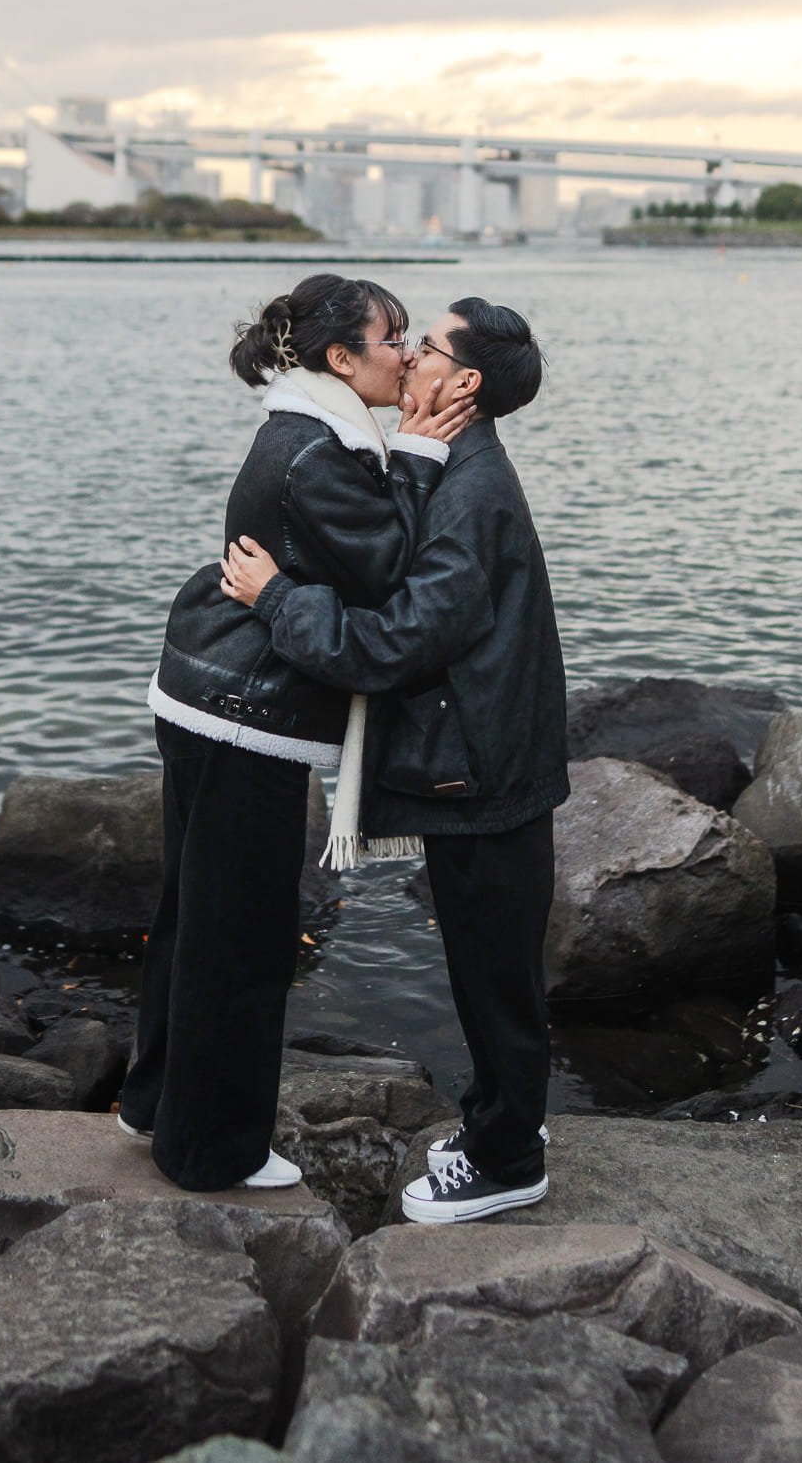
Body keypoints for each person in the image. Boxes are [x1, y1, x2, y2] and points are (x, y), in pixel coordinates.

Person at [118, 272, 472, 1191]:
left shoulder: (310, 433)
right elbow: (392, 572)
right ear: (340, 358)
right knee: (242, 937)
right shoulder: (318, 454)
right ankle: (210, 1153)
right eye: (392, 341)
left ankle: (154, 1104)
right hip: (248, 717)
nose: (407, 356)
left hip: (210, 698)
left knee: (193, 914)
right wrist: (423, 457)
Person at [221, 295, 567, 1224]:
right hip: (485, 758)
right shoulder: (456, 466)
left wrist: (276, 599)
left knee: (494, 977)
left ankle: (506, 1161)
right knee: (489, 967)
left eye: (428, 347)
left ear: (464, 382)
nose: (407, 355)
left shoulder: (471, 489)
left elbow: (393, 641)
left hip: (484, 769)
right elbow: (409, 575)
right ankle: (505, 1122)